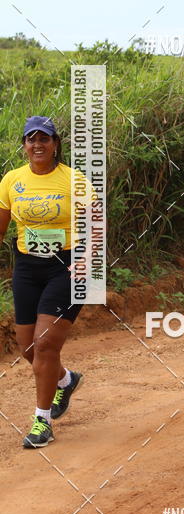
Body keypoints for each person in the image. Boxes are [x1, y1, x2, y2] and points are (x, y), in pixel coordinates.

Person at [0, 117, 85, 448]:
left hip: (66, 266)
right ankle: (65, 379)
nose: (37, 145)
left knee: (47, 345)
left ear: (55, 144)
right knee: (30, 349)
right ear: (24, 145)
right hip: (27, 267)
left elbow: (96, 223)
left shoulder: (73, 180)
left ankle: (42, 421)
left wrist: (86, 261)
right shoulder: (11, 180)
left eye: (44, 139)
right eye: (30, 139)